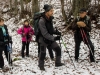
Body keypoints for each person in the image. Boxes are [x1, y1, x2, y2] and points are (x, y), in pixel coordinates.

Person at [38, 4, 64, 70]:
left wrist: (56, 32)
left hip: (50, 38)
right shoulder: (41, 21)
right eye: (51, 11)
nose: (52, 12)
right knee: (43, 53)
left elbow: (51, 29)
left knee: (58, 49)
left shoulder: (50, 19)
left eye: (53, 10)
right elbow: (44, 33)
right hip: (43, 39)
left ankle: (58, 63)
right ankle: (41, 66)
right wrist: (54, 38)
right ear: (47, 12)